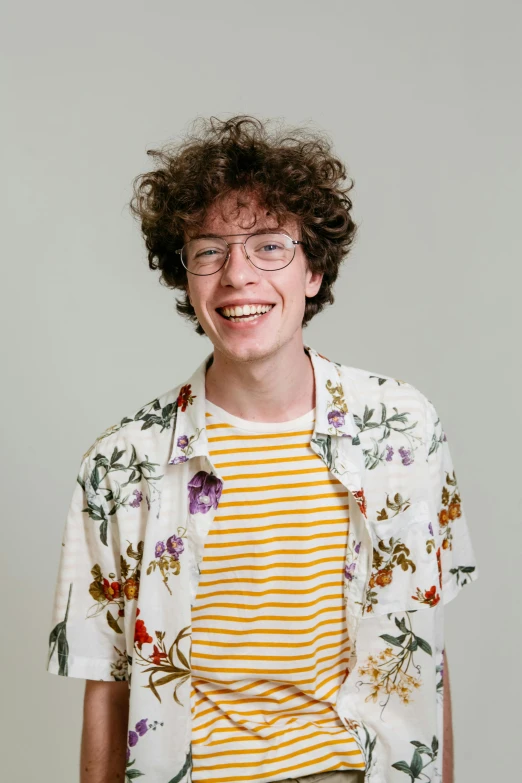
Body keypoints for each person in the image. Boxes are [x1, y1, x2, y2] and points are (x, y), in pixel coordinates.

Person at [46, 115, 479, 783]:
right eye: (210, 250)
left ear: (313, 270)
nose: (238, 275)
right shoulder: (120, 464)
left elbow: (424, 656)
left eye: (269, 246)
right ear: (186, 277)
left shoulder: (405, 430)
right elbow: (107, 687)